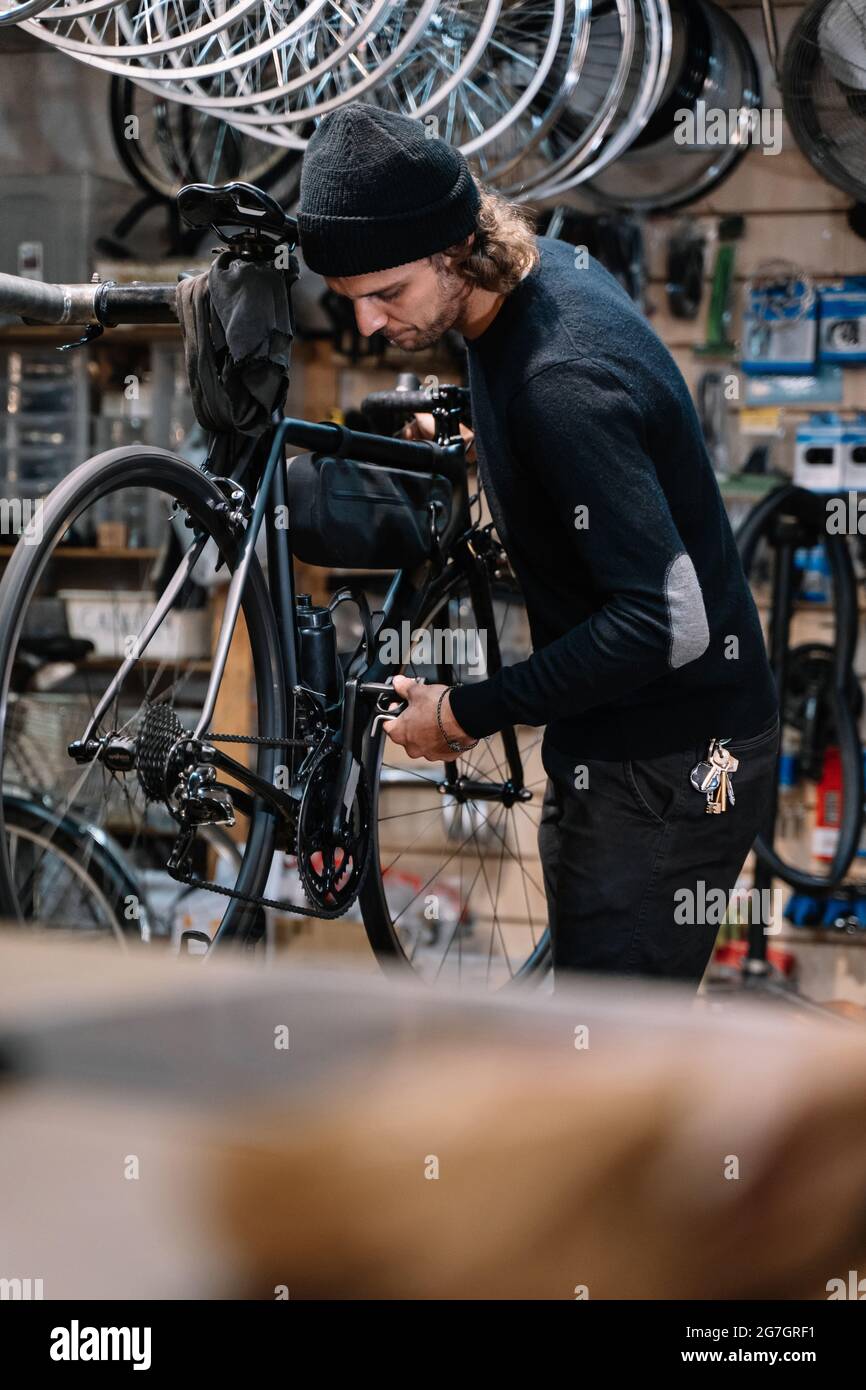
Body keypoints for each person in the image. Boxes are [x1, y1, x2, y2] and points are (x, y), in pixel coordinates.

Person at [296, 102, 780, 986]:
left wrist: (464, 713)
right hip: (630, 749)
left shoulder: (560, 384)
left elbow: (666, 623)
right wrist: (495, 437)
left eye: (386, 294)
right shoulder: (529, 280)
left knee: (609, 1067)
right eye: (349, 300)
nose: (366, 325)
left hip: (674, 765)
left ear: (452, 251)